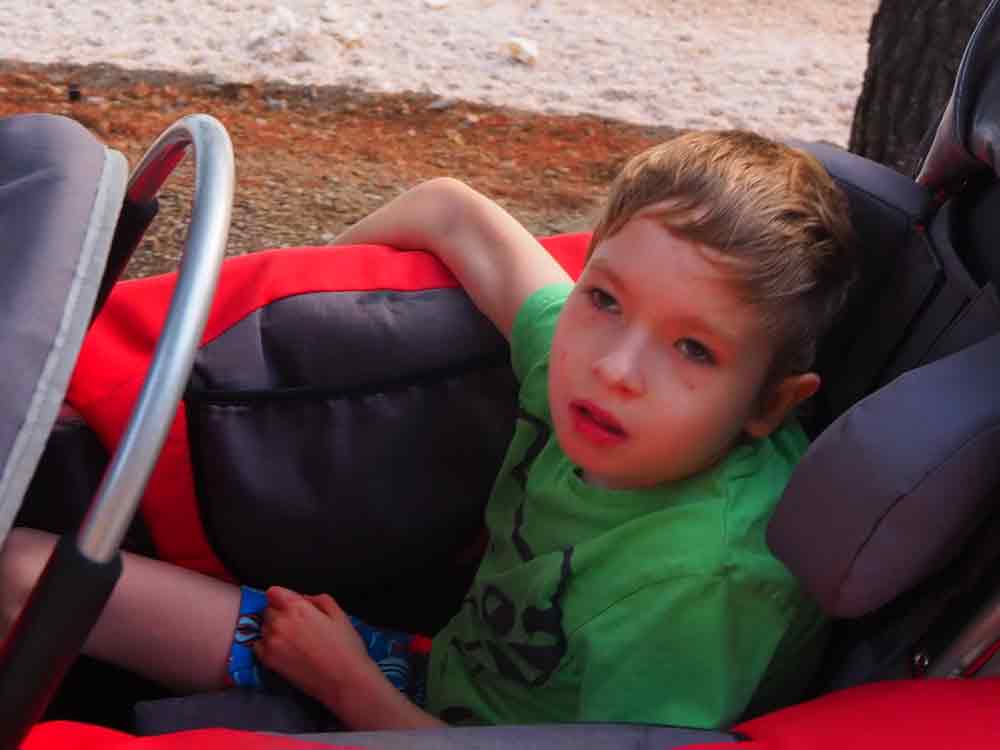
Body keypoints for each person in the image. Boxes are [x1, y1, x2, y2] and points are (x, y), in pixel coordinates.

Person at [0, 129, 858, 731]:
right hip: (415, 673)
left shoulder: (698, 586)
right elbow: (450, 211)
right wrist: (317, 293)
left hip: (416, 715)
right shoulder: (580, 357)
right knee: (25, 574)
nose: (615, 368)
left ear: (768, 407)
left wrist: (350, 688)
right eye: (604, 297)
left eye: (693, 350)